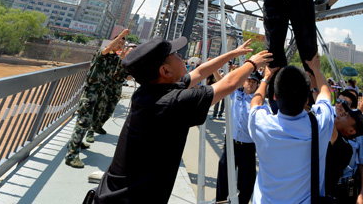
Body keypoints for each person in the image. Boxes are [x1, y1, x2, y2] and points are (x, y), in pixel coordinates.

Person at [92, 37, 272, 203]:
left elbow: (200, 72)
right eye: (176, 55)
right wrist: (252, 64)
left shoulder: (151, 91)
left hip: (113, 192)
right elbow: (229, 85)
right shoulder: (171, 102)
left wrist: (233, 53)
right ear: (165, 70)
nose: (181, 57)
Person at [248, 54, 334, 204]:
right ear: (307, 99)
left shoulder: (262, 124)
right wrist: (315, 69)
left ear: (275, 96)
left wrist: (266, 78)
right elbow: (325, 93)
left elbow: (255, 102)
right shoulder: (319, 125)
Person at [65, 29, 129, 168]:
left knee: (91, 121)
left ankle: (77, 142)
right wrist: (122, 34)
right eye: (118, 42)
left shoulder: (114, 59)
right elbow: (108, 48)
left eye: (121, 44)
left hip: (101, 93)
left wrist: (124, 60)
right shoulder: (102, 54)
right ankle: (71, 155)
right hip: (91, 93)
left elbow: (120, 76)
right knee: (83, 122)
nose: (119, 46)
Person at [215, 71, 261, 204]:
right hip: (231, 142)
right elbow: (224, 82)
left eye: (253, 82)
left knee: (247, 179)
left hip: (248, 145)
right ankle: (221, 201)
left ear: (257, 84)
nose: (250, 84)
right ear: (244, 82)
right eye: (248, 81)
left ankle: (242, 202)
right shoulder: (236, 94)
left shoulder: (258, 101)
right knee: (224, 171)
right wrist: (215, 71)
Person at [89, 42, 137, 142]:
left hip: (117, 88)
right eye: (131, 51)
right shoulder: (116, 59)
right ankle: (90, 131)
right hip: (107, 87)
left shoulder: (130, 64)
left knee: (110, 110)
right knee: (99, 109)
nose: (132, 54)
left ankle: (99, 126)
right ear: (125, 50)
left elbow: (127, 77)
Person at [325, 106, 363, 204]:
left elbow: (326, 114)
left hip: (337, 191)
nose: (341, 114)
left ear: (351, 131)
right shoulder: (342, 142)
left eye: (346, 116)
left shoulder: (343, 146)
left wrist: (362, 194)